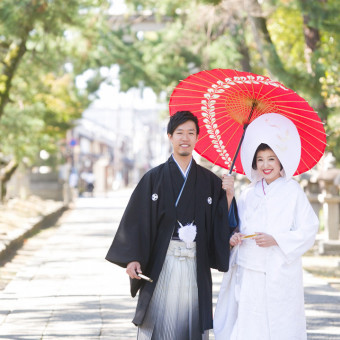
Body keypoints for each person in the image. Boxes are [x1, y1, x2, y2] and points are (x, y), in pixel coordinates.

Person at [106, 111, 238, 340]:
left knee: (191, 325)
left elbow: (221, 223)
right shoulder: (153, 178)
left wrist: (228, 195)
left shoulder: (211, 181)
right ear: (170, 136)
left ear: (197, 138)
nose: (185, 138)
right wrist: (133, 258)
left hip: (195, 264)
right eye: (179, 133)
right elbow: (137, 220)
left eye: (191, 133)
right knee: (159, 325)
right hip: (161, 262)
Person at [214, 113, 319, 340]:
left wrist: (277, 239)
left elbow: (309, 229)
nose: (265, 165)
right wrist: (234, 237)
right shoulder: (249, 193)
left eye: (271, 158)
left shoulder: (293, 191)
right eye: (260, 159)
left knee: (281, 325)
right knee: (249, 324)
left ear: (280, 161)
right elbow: (236, 226)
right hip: (250, 269)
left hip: (279, 269)